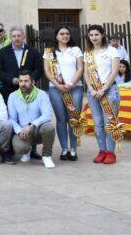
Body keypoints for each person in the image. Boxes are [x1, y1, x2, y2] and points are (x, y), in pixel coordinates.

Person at [43, 26, 84, 162]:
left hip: (75, 88)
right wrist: (57, 85)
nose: (65, 36)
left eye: (67, 34)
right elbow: (47, 71)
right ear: (56, 36)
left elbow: (80, 68)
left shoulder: (76, 50)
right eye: (62, 34)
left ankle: (73, 149)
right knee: (61, 120)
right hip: (56, 89)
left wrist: (71, 84)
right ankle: (64, 149)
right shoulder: (49, 52)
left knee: (73, 118)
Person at [84, 24, 122, 165]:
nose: (94, 37)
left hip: (109, 90)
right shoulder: (88, 53)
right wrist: (91, 89)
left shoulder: (112, 51)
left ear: (102, 35)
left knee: (109, 122)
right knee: (98, 124)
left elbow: (114, 71)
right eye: (91, 35)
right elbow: (86, 73)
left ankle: (111, 152)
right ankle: (102, 150)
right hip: (93, 92)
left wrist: (103, 89)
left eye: (96, 34)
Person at [7, 70, 56, 168]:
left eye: (26, 81)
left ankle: (46, 156)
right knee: (20, 148)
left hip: (38, 130)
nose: (23, 84)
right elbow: (11, 119)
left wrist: (32, 125)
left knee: (49, 127)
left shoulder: (42, 94)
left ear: (33, 82)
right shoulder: (13, 96)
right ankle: (27, 151)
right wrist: (19, 131)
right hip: (23, 131)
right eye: (21, 81)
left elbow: (47, 115)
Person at [0, 26, 43, 103]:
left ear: (24, 37)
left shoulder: (33, 51)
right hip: (9, 90)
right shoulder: (2, 52)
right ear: (10, 38)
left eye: (19, 36)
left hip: (29, 90)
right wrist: (11, 79)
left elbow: (39, 69)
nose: (16, 38)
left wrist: (29, 80)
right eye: (14, 36)